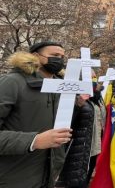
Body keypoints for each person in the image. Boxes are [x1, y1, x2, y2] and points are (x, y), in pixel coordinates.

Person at [0, 41, 72, 188]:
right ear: (35, 56)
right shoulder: (12, 82)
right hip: (13, 177)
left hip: (47, 176)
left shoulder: (62, 88)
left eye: (62, 57)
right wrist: (34, 140)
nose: (59, 60)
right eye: (54, 55)